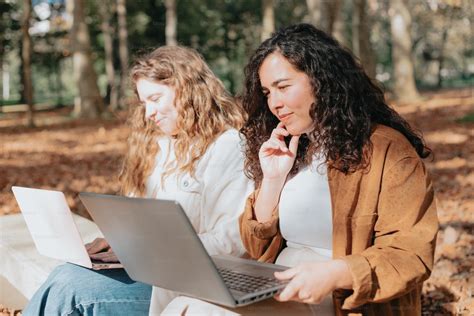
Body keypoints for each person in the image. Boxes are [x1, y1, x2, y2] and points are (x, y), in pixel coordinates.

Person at [163, 23, 438, 315]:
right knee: (182, 302)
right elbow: (256, 248)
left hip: (340, 299)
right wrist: (272, 179)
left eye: (283, 87)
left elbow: (410, 254)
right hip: (278, 287)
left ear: (323, 81)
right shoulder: (295, 146)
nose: (274, 103)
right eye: (268, 92)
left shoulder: (387, 150)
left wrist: (334, 273)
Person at [23, 46, 253, 316]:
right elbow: (138, 220)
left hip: (190, 284)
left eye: (156, 98)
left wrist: (144, 251)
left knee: (70, 288)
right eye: (144, 103)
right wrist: (116, 240)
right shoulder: (157, 145)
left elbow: (235, 241)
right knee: (67, 274)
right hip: (146, 270)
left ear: (188, 88)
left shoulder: (228, 147)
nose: (149, 113)